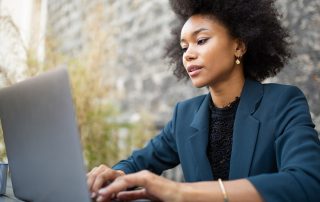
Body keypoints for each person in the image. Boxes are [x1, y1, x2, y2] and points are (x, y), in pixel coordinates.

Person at [87, 0, 320, 201]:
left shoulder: (283, 102)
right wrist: (116, 175)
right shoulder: (185, 115)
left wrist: (180, 193)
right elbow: (139, 162)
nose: (188, 54)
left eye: (201, 41)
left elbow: (307, 182)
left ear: (238, 46)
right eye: (184, 46)